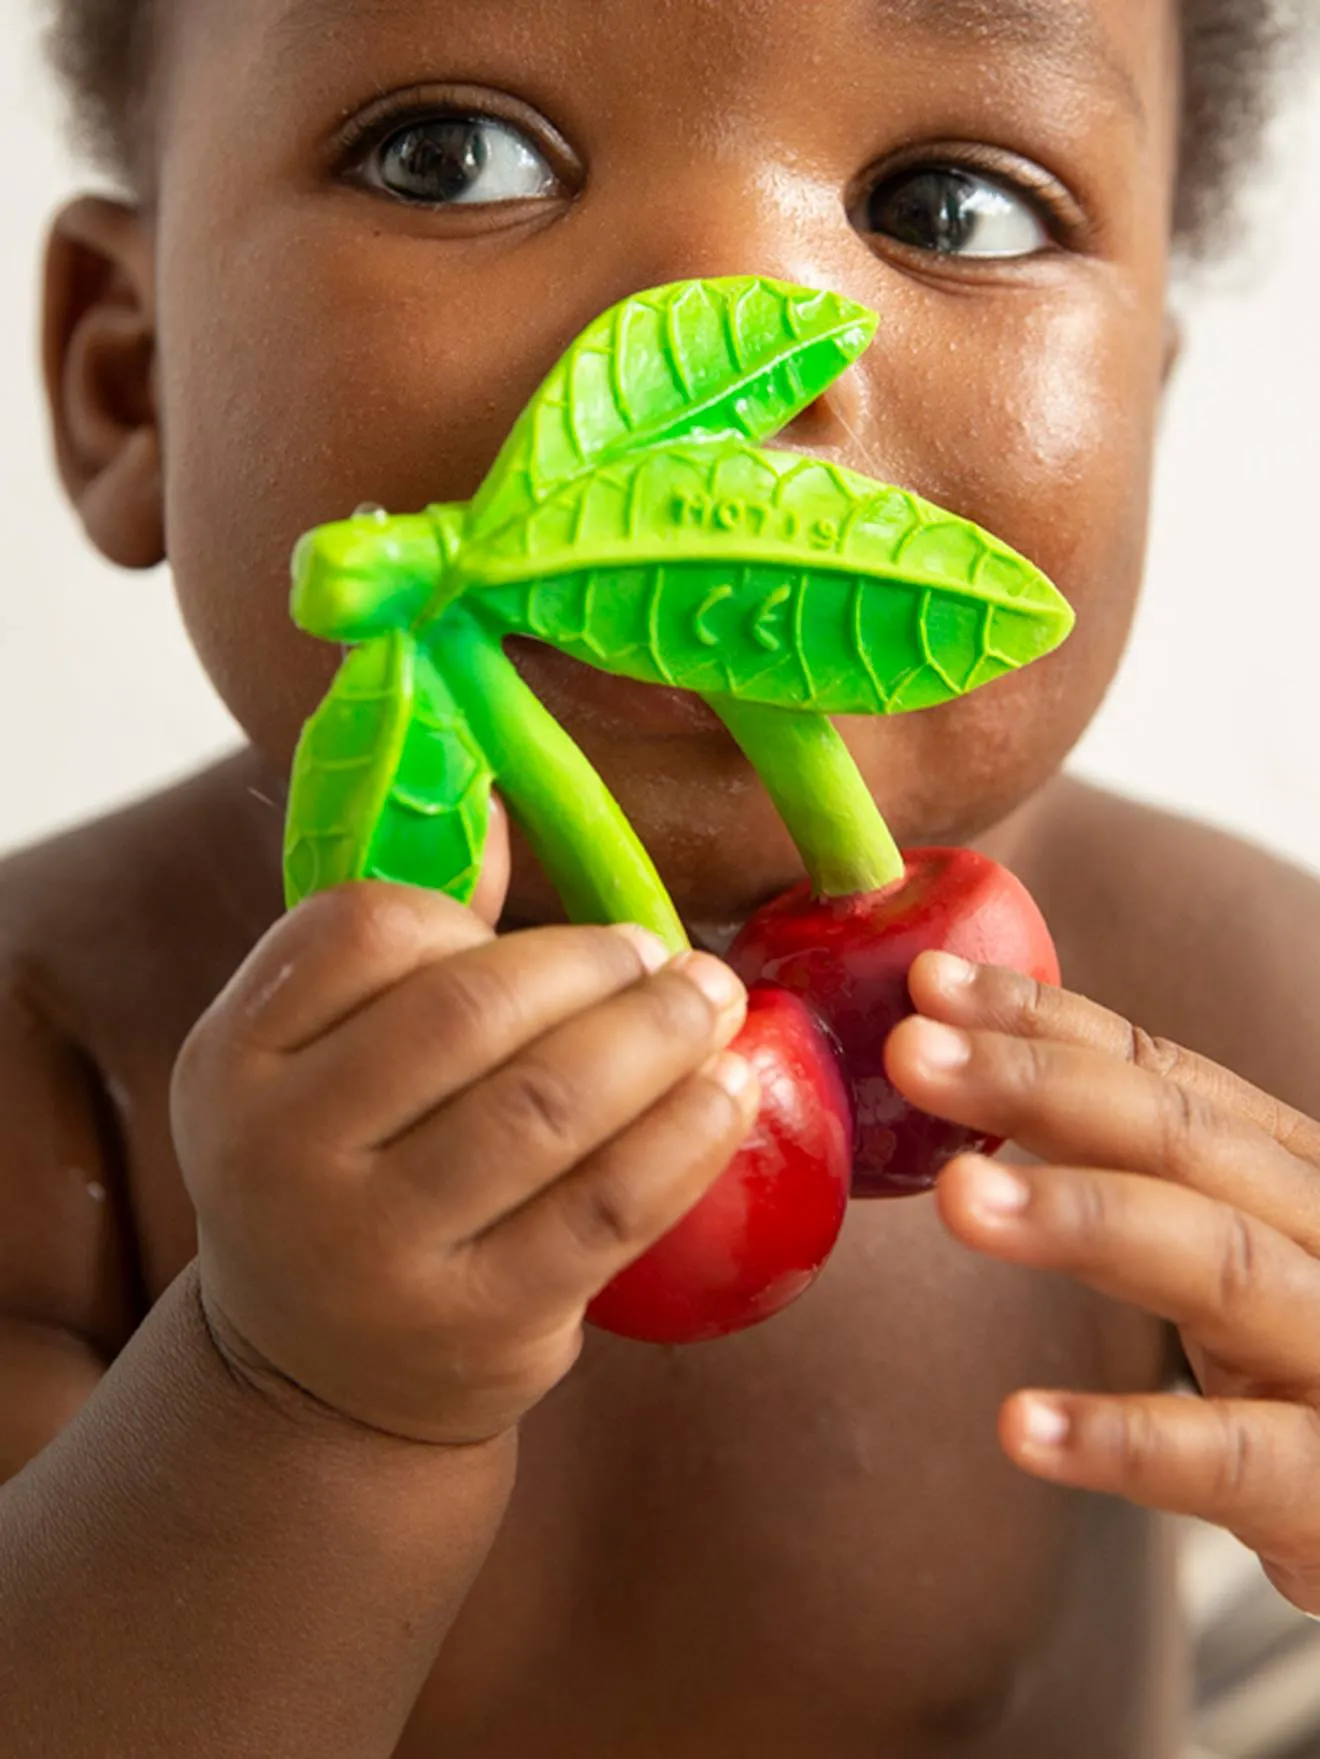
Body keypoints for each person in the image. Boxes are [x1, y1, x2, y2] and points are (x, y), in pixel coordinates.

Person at [1, 1, 1318, 1753]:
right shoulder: (50, 1051)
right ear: (128, 372)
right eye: (449, 156)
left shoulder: (1227, 991)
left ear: (1144, 400)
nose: (700, 346)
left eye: (951, 206)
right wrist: (291, 1390)